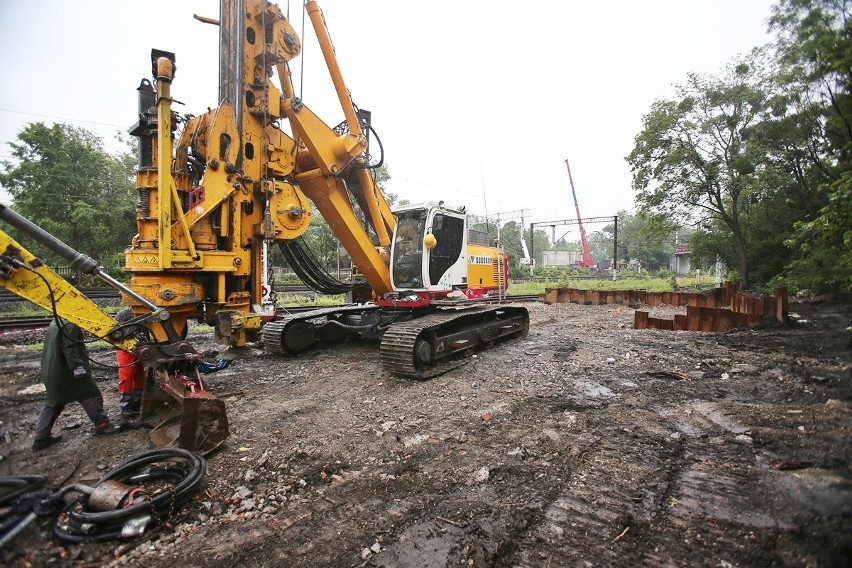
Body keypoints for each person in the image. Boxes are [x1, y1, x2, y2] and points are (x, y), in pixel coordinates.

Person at [31, 318, 120, 451]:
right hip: (66, 369)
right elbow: (69, 347)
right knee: (90, 393)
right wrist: (77, 367)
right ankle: (102, 425)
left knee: (54, 401)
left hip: (52, 369)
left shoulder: (56, 321)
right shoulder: (70, 324)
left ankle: (41, 437)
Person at [115, 307, 145, 416]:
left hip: (143, 348)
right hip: (125, 349)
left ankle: (139, 401)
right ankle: (126, 405)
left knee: (140, 375)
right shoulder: (123, 315)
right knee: (126, 377)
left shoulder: (146, 312)